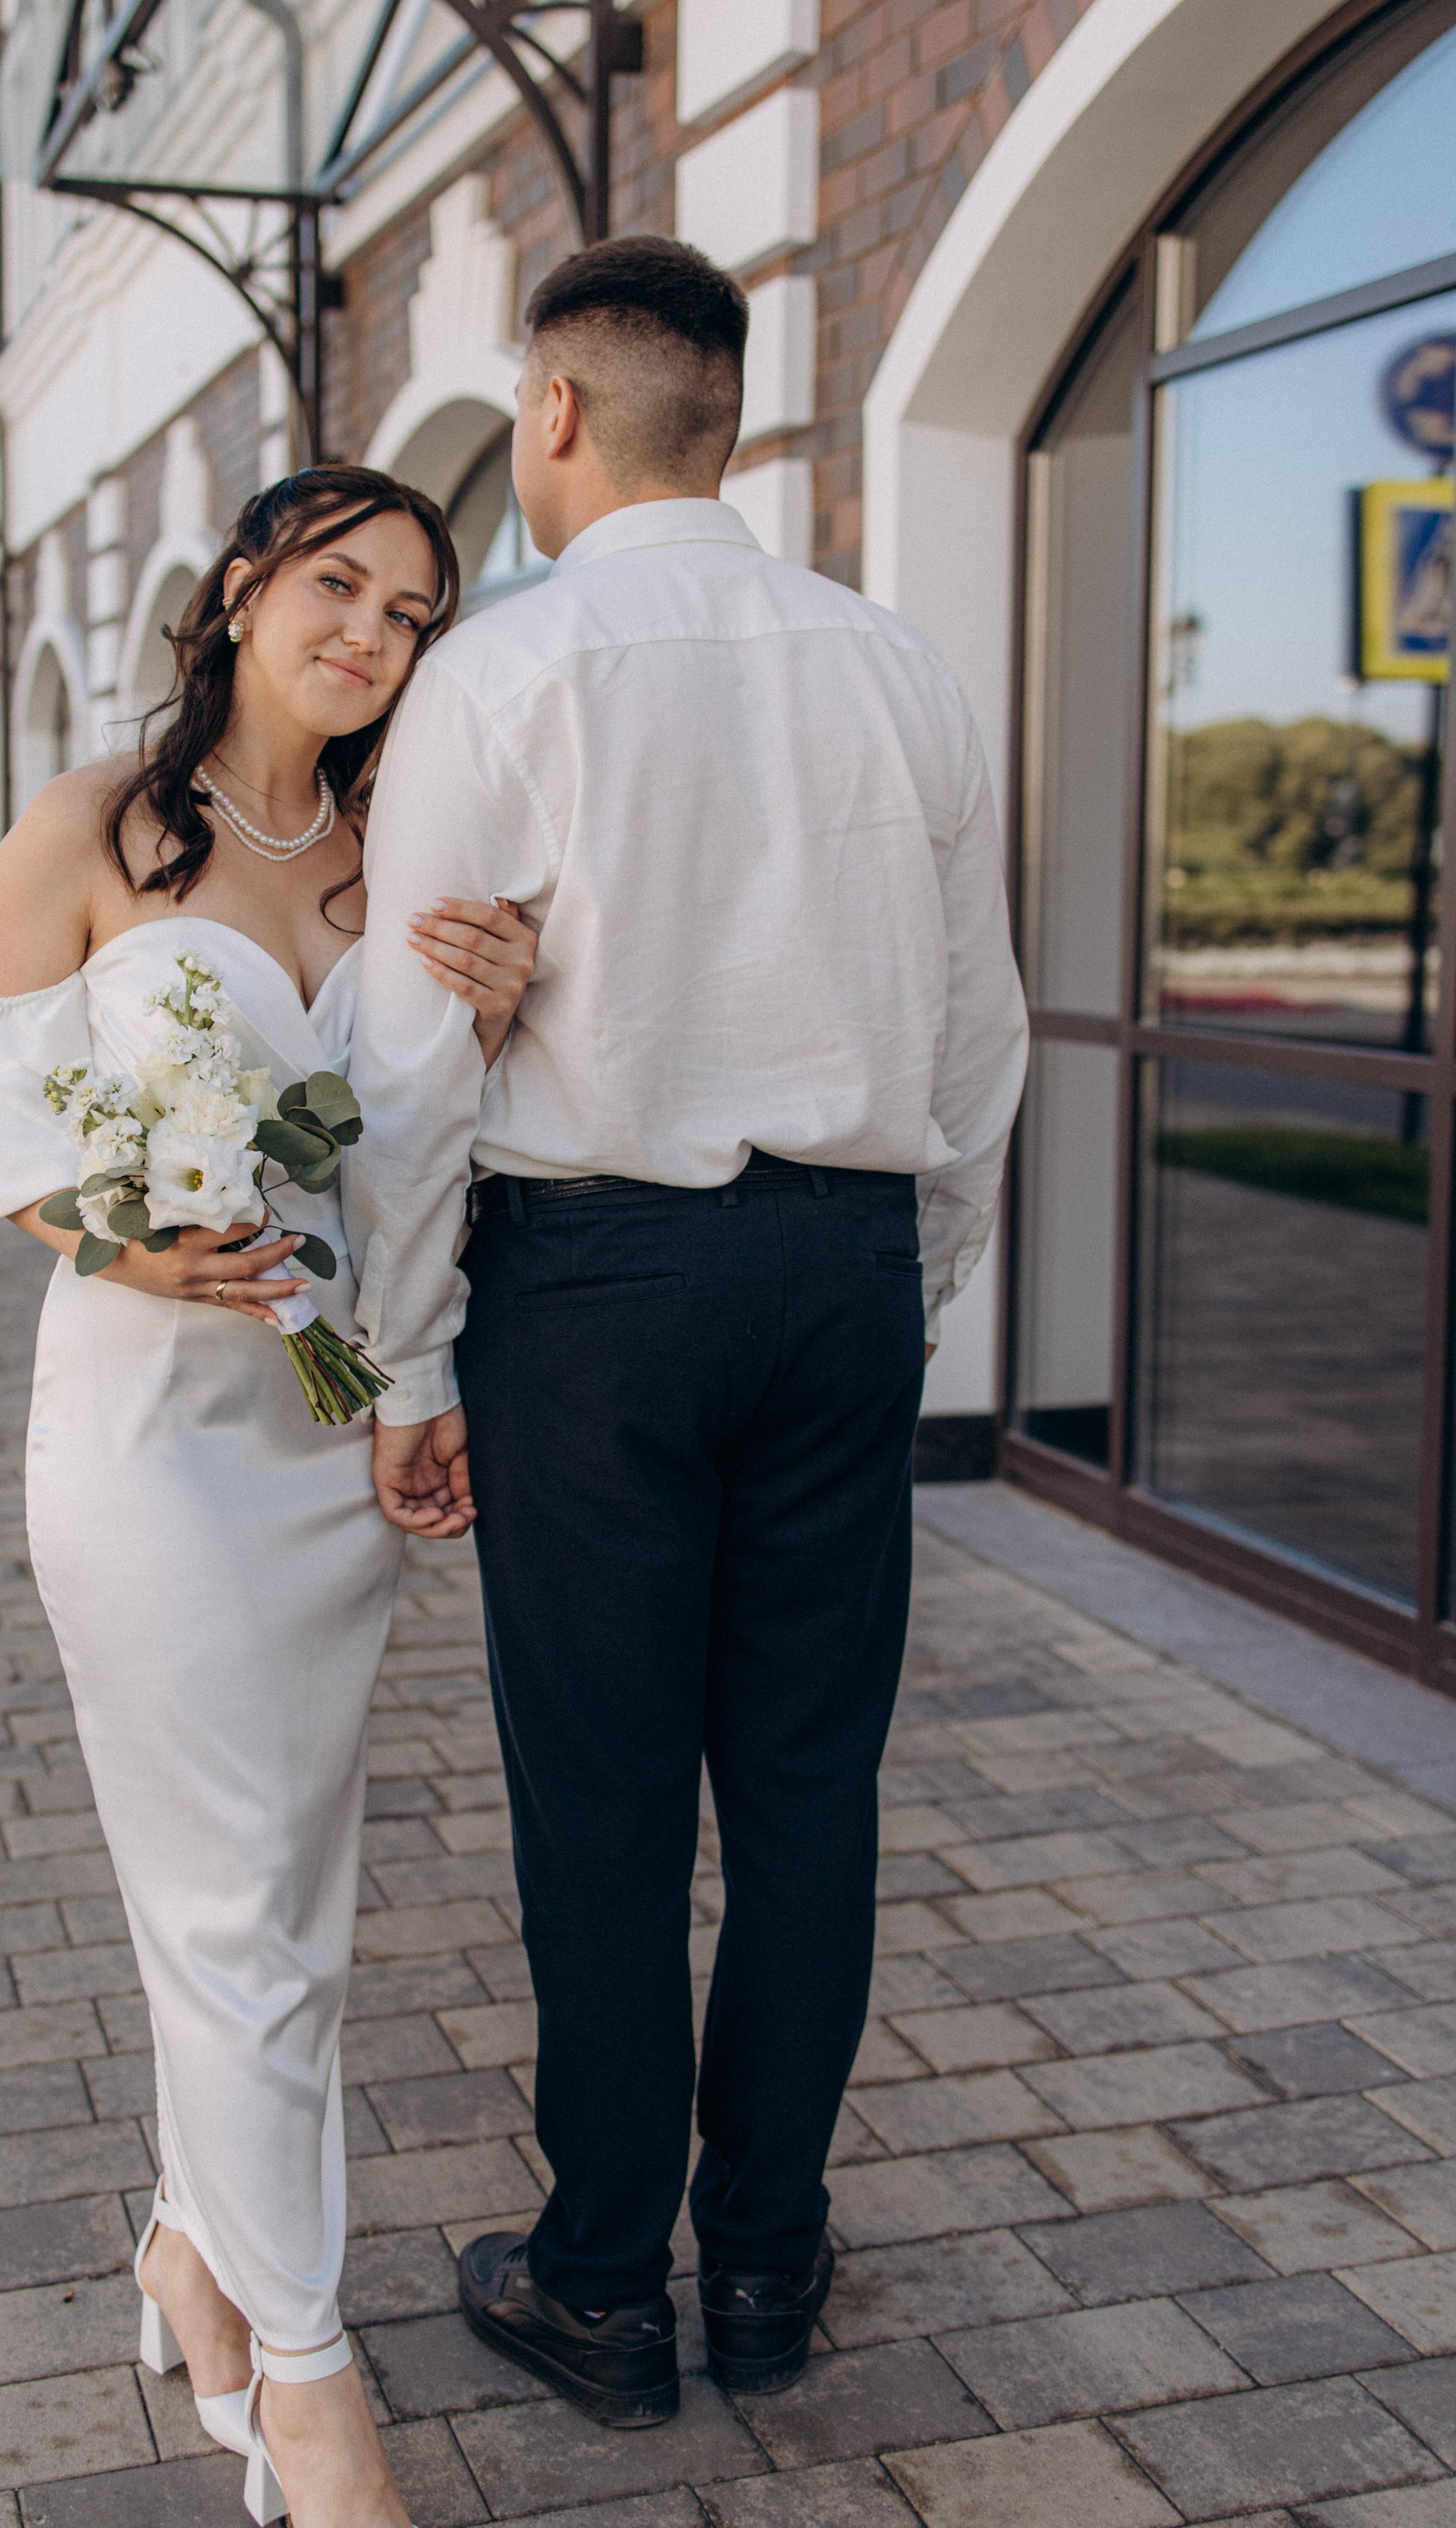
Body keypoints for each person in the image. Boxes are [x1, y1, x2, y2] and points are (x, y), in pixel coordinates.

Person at [343, 236, 1030, 2424]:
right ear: (721, 416)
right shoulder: (902, 666)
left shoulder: (511, 671)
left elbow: (416, 1056)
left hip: (600, 1291)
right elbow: (983, 1042)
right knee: (812, 1793)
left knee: (608, 1808)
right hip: (837, 1274)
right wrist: (901, 1284)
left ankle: (603, 2286)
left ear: (552, 416)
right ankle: (766, 2269)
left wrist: (409, 1352)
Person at [0, 466, 534, 2528]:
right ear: (246, 585)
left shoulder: (402, 856)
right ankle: (311, 2385)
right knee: (239, 1911)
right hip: (149, 1443)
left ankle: (190, 2244)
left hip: (329, 1452)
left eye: (416, 612)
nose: (372, 633)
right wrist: (117, 1237)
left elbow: (416, 1167)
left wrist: (493, 1029)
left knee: (275, 1912)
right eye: (342, 583)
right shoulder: (93, 829)